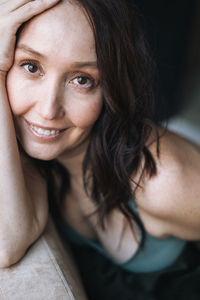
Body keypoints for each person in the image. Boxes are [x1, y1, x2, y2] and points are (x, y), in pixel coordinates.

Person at [0, 0, 200, 299]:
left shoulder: (162, 179)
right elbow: (5, 244)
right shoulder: (33, 157)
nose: (49, 109)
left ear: (110, 88)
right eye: (31, 67)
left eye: (82, 80)